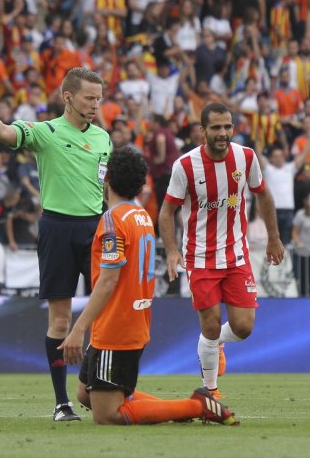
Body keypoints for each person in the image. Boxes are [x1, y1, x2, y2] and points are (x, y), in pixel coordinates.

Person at [58, 146, 237, 425]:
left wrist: (77, 329)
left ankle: (195, 407)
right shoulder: (141, 215)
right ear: (141, 184)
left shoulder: (113, 221)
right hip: (134, 319)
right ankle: (191, 404)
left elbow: (108, 281)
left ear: (106, 181)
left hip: (115, 326)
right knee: (85, 394)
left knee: (107, 415)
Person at [0, 67, 112, 421]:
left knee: (105, 315)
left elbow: (104, 189)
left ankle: (93, 384)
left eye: (99, 98)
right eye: (89, 98)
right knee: (60, 319)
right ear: (68, 97)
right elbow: (5, 134)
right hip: (57, 228)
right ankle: (61, 402)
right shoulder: (46, 132)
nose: (96, 104)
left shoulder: (103, 139)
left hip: (95, 228)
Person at [157, 102, 284, 398]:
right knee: (210, 325)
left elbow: (263, 194)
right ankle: (211, 390)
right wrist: (172, 251)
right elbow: (166, 212)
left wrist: (274, 238)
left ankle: (216, 345)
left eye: (227, 127)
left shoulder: (246, 157)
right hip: (200, 257)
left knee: (244, 327)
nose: (223, 133)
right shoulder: (185, 166)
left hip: (237, 255)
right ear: (202, 131)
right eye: (215, 127)